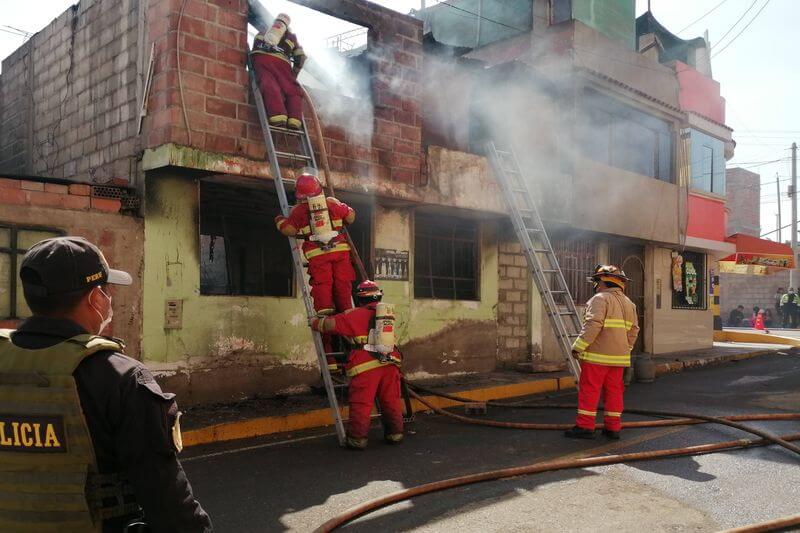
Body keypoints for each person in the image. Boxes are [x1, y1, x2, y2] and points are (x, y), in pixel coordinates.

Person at [0, 236, 212, 532]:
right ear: (95, 299)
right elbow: (168, 502)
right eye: (108, 290)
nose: (110, 299)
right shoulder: (120, 377)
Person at [275, 167, 357, 367]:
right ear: (319, 188)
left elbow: (289, 229)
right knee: (344, 292)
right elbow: (351, 217)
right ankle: (352, 339)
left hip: (318, 258)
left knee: (323, 306)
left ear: (300, 195)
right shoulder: (330, 203)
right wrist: (341, 204)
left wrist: (278, 220)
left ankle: (329, 360)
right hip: (340, 255)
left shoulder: (299, 211)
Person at [310, 280, 404, 450]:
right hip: (389, 362)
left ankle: (357, 439)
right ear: (379, 296)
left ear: (360, 298)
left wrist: (315, 322)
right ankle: (395, 433)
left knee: (362, 403)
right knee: (391, 400)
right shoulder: (387, 313)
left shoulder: (354, 315)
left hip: (365, 365)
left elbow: (329, 325)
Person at [566, 265, 640, 440]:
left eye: (597, 282)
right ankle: (613, 428)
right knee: (614, 392)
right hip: (619, 359)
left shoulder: (599, 299)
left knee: (590, 390)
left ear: (603, 282)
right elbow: (634, 330)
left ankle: (585, 426)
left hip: (596, 357)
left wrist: (578, 346)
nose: (596, 286)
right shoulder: (630, 304)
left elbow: (593, 325)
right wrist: (625, 349)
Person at [250, 13, 306, 130]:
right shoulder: (291, 37)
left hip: (260, 59)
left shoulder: (263, 31)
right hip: (281, 63)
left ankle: (278, 116)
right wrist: (294, 74)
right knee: (293, 90)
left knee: (269, 84)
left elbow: (254, 47)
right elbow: (300, 57)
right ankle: (294, 120)